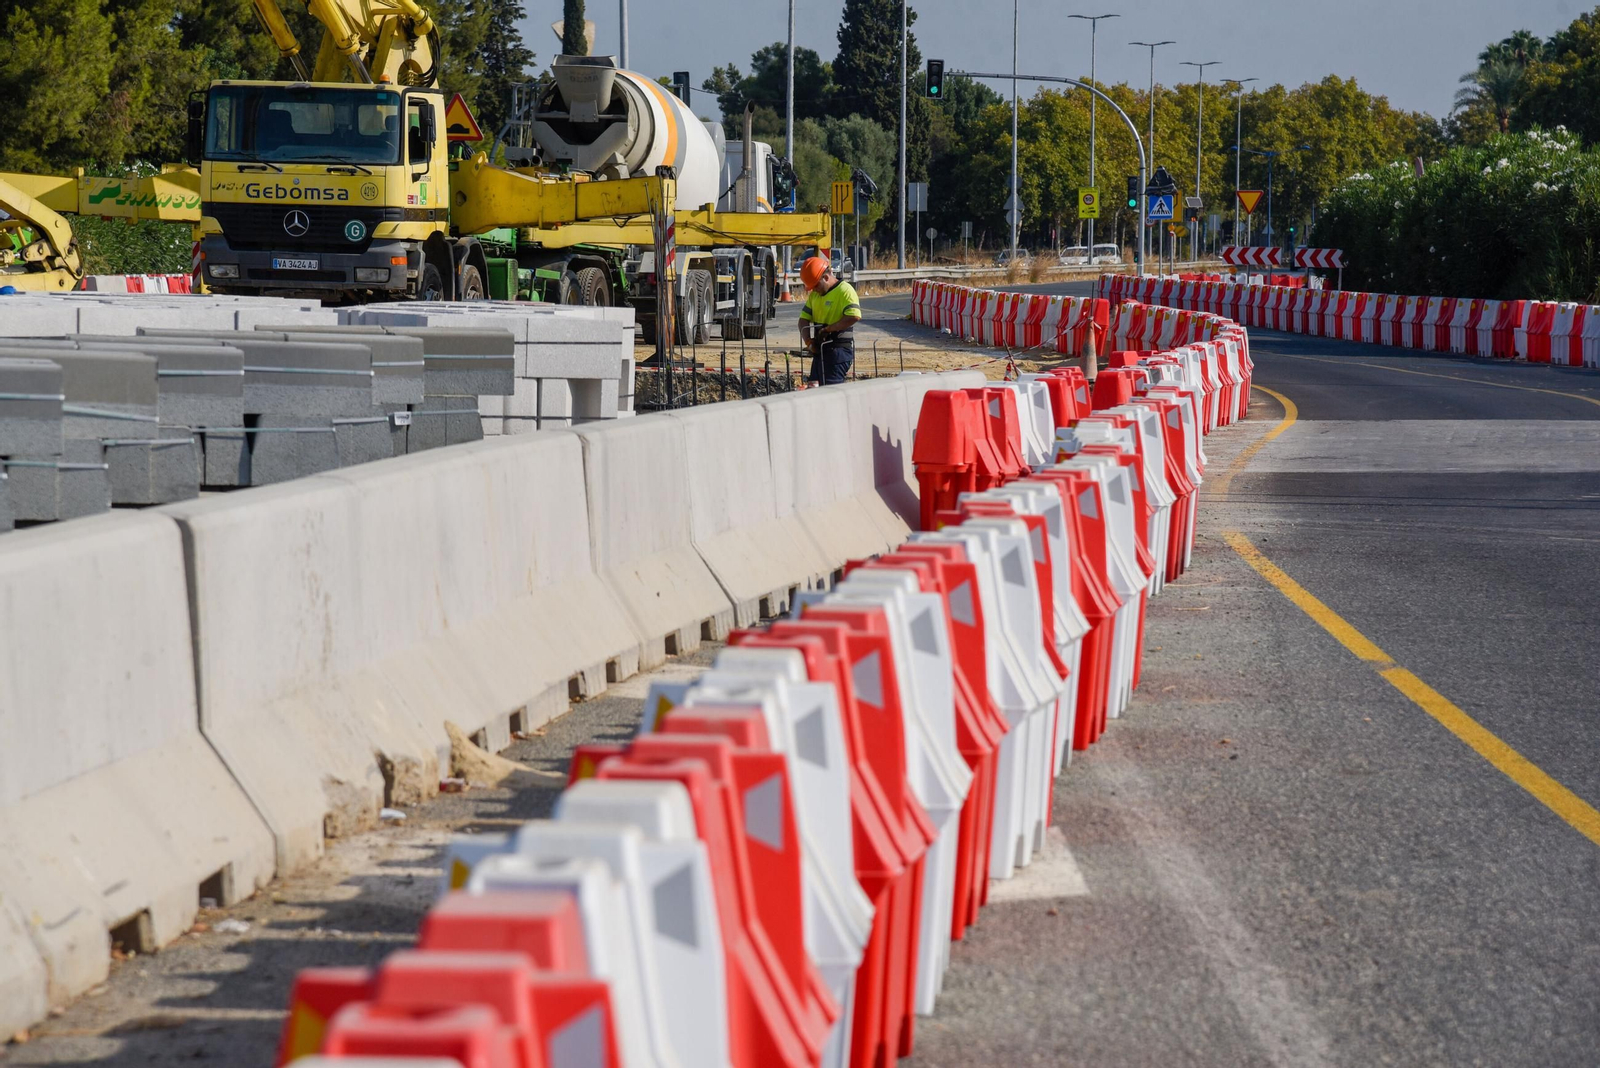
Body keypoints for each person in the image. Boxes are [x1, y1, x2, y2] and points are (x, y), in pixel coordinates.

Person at [797, 255, 860, 384]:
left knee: (830, 390)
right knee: (814, 387)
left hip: (838, 352)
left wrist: (829, 329)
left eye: (816, 286)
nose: (813, 290)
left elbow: (854, 316)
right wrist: (809, 342)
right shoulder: (815, 295)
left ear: (825, 277)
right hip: (820, 351)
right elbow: (803, 320)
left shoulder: (845, 291)